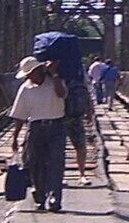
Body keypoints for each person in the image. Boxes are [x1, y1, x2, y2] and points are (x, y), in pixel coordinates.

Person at [29, 30, 95, 174]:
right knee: (77, 143)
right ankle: (79, 174)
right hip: (70, 110)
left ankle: (64, 174)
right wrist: (89, 108)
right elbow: (85, 85)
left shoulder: (46, 69)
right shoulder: (74, 69)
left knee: (64, 143)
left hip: (55, 111)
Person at [8, 58, 68, 211]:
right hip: (36, 128)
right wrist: (15, 137)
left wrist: (54, 74)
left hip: (57, 126)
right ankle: (40, 195)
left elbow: (62, 94)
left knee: (56, 162)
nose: (29, 77)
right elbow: (20, 115)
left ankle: (55, 197)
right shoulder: (25, 89)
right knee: (35, 163)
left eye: (30, 74)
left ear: (38, 70)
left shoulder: (54, 82)